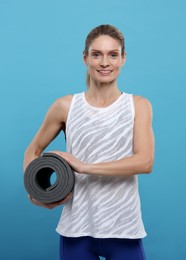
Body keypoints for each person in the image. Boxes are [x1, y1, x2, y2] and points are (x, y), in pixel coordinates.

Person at [23, 24, 155, 260]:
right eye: (97, 54)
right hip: (77, 229)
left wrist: (85, 167)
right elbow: (33, 150)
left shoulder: (138, 106)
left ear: (123, 59)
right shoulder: (65, 106)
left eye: (113, 55)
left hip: (123, 227)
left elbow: (144, 162)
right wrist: (36, 193)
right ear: (85, 58)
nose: (105, 62)